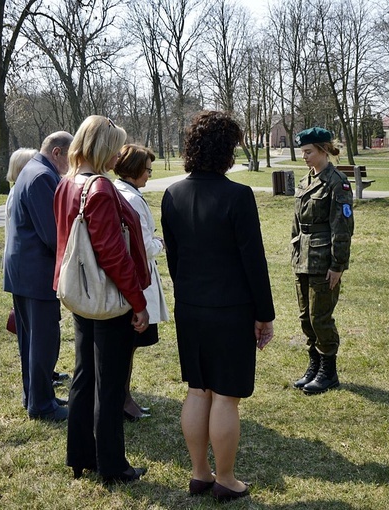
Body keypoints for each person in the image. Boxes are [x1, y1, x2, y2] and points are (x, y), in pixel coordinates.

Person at [161, 111, 275, 502]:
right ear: (227, 150)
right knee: (225, 396)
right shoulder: (238, 196)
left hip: (190, 306)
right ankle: (225, 478)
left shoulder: (171, 194)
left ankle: (199, 473)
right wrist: (265, 314)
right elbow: (253, 261)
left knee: (198, 391)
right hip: (231, 309)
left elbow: (174, 259)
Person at [53, 115, 151, 484]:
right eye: (116, 145)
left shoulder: (66, 183)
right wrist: (138, 301)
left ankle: (80, 455)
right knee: (109, 385)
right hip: (107, 298)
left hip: (80, 293)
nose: (119, 153)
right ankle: (112, 464)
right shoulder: (100, 188)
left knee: (84, 376)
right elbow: (113, 254)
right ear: (104, 146)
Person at [4, 135, 72, 422]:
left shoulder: (32, 170)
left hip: (24, 271)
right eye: (70, 157)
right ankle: (42, 405)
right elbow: (52, 233)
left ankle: (34, 394)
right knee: (43, 340)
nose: (71, 165)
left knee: (31, 340)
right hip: (36, 272)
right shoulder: (43, 176)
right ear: (57, 152)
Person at [291, 127, 354, 395]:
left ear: (323, 150)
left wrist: (337, 265)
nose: (304, 156)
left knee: (321, 317)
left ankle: (328, 372)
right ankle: (315, 366)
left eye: (308, 152)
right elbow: (297, 224)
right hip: (302, 258)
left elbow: (342, 228)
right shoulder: (306, 181)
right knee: (306, 317)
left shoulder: (336, 182)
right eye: (302, 152)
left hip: (323, 260)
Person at [113, 144, 169, 421]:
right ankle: (123, 400)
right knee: (127, 346)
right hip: (135, 280)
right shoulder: (132, 199)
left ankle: (125, 397)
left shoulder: (125, 192)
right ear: (134, 170)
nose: (149, 175)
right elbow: (144, 246)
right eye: (147, 170)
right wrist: (161, 242)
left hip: (132, 279)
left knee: (128, 346)